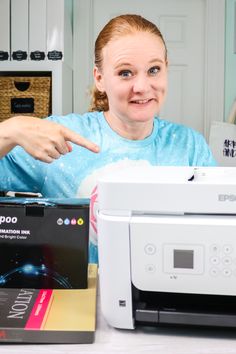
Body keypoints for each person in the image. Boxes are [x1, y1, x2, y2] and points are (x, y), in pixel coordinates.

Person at [0, 14, 216, 263]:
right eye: (126, 73)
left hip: (165, 296)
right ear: (100, 79)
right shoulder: (62, 137)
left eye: (154, 70)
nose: (142, 87)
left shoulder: (190, 146)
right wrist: (11, 130)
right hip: (83, 298)